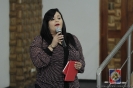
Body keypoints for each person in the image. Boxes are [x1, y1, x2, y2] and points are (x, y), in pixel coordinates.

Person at [30, 8, 85, 88]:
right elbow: (38, 62)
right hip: (47, 85)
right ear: (47, 23)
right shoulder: (39, 41)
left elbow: (81, 59)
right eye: (52, 19)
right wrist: (52, 46)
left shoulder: (72, 38)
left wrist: (80, 65)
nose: (57, 21)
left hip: (72, 85)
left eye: (59, 18)